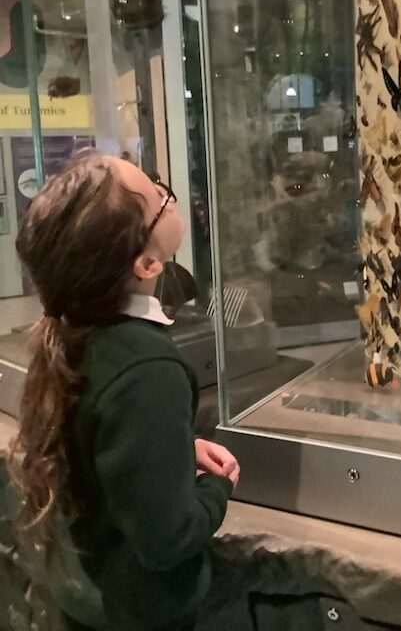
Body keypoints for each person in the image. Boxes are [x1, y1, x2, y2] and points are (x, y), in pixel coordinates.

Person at [7, 152, 239, 631]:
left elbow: (100, 448)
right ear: (148, 264)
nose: (168, 195)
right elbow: (166, 540)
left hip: (87, 603)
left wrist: (173, 450)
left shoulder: (77, 332)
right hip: (138, 614)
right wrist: (218, 489)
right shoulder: (148, 368)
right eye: (157, 198)